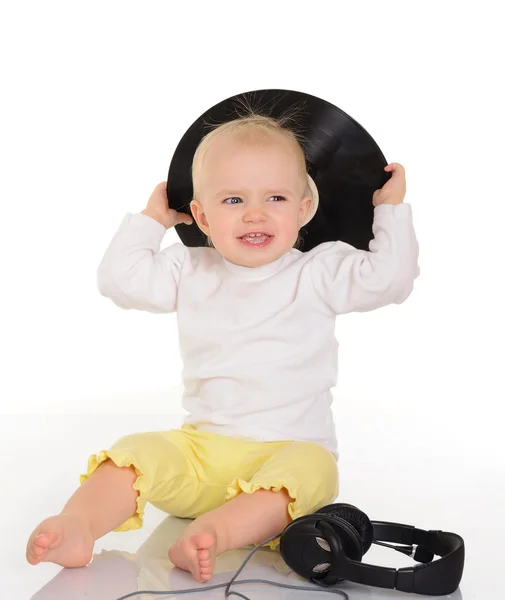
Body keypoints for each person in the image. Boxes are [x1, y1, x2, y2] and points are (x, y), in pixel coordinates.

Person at [26, 113, 419, 583]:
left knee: (314, 471)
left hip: (288, 452)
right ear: (203, 217)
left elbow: (391, 280)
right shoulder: (189, 268)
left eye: (275, 197)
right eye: (234, 199)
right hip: (200, 453)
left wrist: (391, 210)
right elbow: (119, 281)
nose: (256, 213)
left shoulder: (319, 271)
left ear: (304, 208)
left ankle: (215, 533)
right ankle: (80, 525)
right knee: (133, 452)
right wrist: (153, 220)